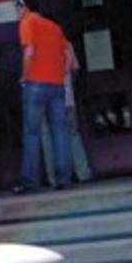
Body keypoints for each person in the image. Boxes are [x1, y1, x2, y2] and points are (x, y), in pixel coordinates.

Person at [15, 0, 71, 193]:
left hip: (35, 83)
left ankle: (30, 182)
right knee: (60, 131)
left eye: (18, 7)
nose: (17, 11)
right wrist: (62, 73)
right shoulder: (54, 27)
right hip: (56, 84)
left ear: (25, 7)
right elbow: (67, 54)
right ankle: (64, 179)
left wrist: (24, 76)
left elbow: (29, 51)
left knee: (32, 133)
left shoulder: (27, 22)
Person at [39, 38, 94, 185]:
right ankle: (83, 173)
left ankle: (56, 178)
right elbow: (75, 70)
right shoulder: (66, 44)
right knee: (72, 134)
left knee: (48, 139)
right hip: (66, 98)